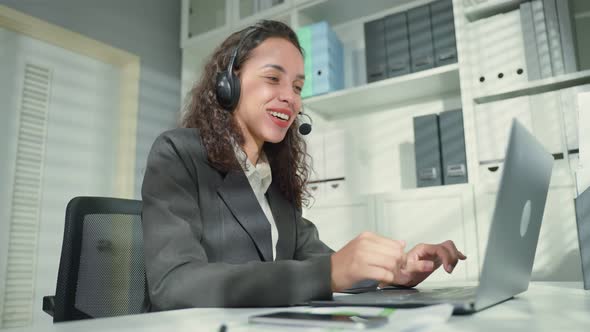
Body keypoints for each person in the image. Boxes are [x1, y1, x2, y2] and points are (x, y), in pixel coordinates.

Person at [141, 20, 466, 311]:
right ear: (229, 84)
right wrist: (330, 272)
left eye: (297, 87)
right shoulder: (179, 154)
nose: (290, 97)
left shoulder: (273, 177)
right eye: (273, 78)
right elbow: (174, 284)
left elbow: (322, 261)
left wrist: (392, 271)